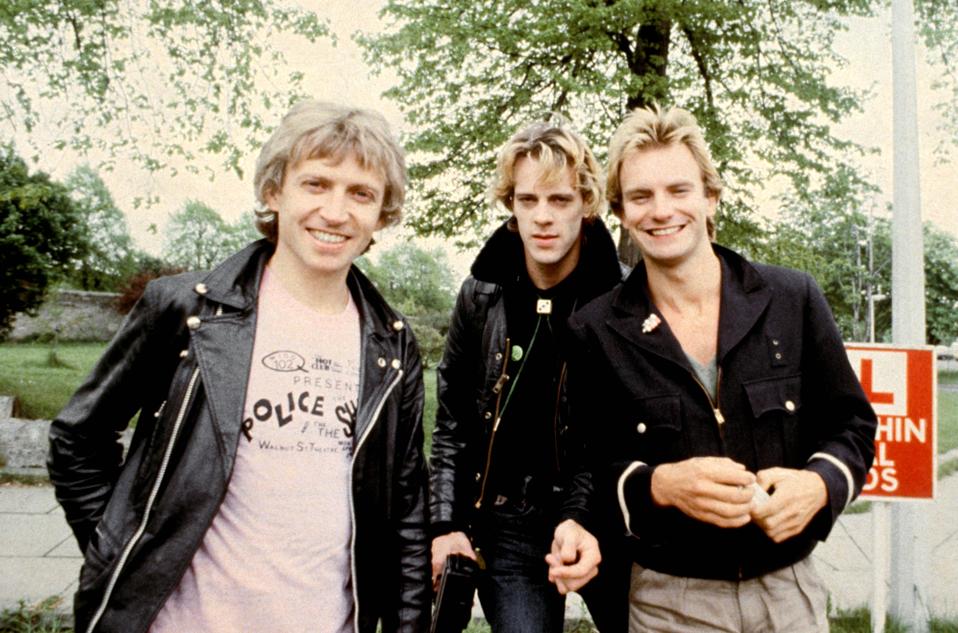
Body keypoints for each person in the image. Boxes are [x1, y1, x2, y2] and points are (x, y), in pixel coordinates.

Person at [47, 100, 431, 633]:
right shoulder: (185, 311)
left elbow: (407, 506)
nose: (337, 212)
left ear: (381, 213)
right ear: (275, 191)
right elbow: (77, 440)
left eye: (360, 193)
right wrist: (122, 554)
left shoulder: (391, 345)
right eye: (316, 184)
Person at [565, 105, 877, 633]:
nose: (661, 210)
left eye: (679, 190)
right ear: (621, 212)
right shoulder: (595, 329)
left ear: (711, 197)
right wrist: (659, 486)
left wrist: (821, 485)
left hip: (790, 593)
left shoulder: (791, 298)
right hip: (669, 601)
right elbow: (589, 469)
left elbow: (854, 427)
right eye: (641, 196)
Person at [429, 118, 629, 632]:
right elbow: (452, 421)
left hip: (605, 518)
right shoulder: (481, 294)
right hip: (509, 523)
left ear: (586, 204)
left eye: (560, 200)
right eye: (528, 200)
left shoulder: (624, 301)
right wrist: (448, 524)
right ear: (511, 206)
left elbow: (617, 434)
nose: (543, 217)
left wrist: (580, 515)